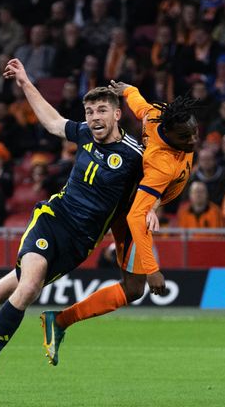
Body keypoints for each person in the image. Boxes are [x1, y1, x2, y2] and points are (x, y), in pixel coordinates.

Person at [0, 59, 143, 389]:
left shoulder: (135, 155)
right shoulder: (83, 134)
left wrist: (154, 208)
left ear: (117, 114)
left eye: (101, 111)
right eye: (90, 112)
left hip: (80, 243)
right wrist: (24, 81)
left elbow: (155, 185)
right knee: (30, 286)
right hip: (53, 219)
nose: (94, 118)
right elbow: (52, 121)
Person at [39, 80, 200, 366]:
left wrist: (126, 89)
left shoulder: (156, 114)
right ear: (172, 134)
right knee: (135, 288)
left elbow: (136, 100)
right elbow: (136, 215)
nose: (193, 141)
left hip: (137, 196)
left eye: (194, 132)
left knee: (131, 287)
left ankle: (58, 317)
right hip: (131, 205)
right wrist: (154, 270)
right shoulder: (161, 164)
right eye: (186, 136)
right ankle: (59, 319)